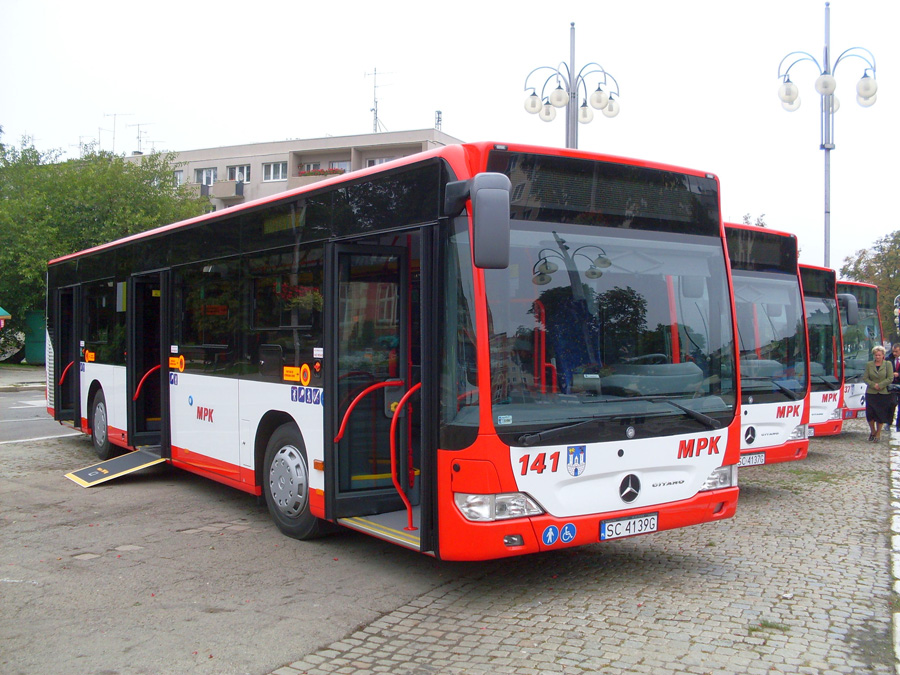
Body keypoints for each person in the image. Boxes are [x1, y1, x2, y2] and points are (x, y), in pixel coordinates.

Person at [863, 345, 896, 442]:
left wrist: (880, 385)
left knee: (880, 414)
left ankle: (878, 433)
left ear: (883, 356)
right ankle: (872, 431)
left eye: (879, 355)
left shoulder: (888, 364)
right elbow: (865, 378)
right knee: (870, 413)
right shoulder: (869, 365)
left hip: (883, 393)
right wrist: (873, 385)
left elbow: (890, 378)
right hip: (871, 392)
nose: (877, 357)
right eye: (876, 355)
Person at [890, 343, 900, 432]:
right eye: (893, 351)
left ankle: (898, 424)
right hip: (892, 385)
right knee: (892, 403)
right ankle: (889, 422)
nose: (894, 353)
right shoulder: (889, 359)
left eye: (896, 351)